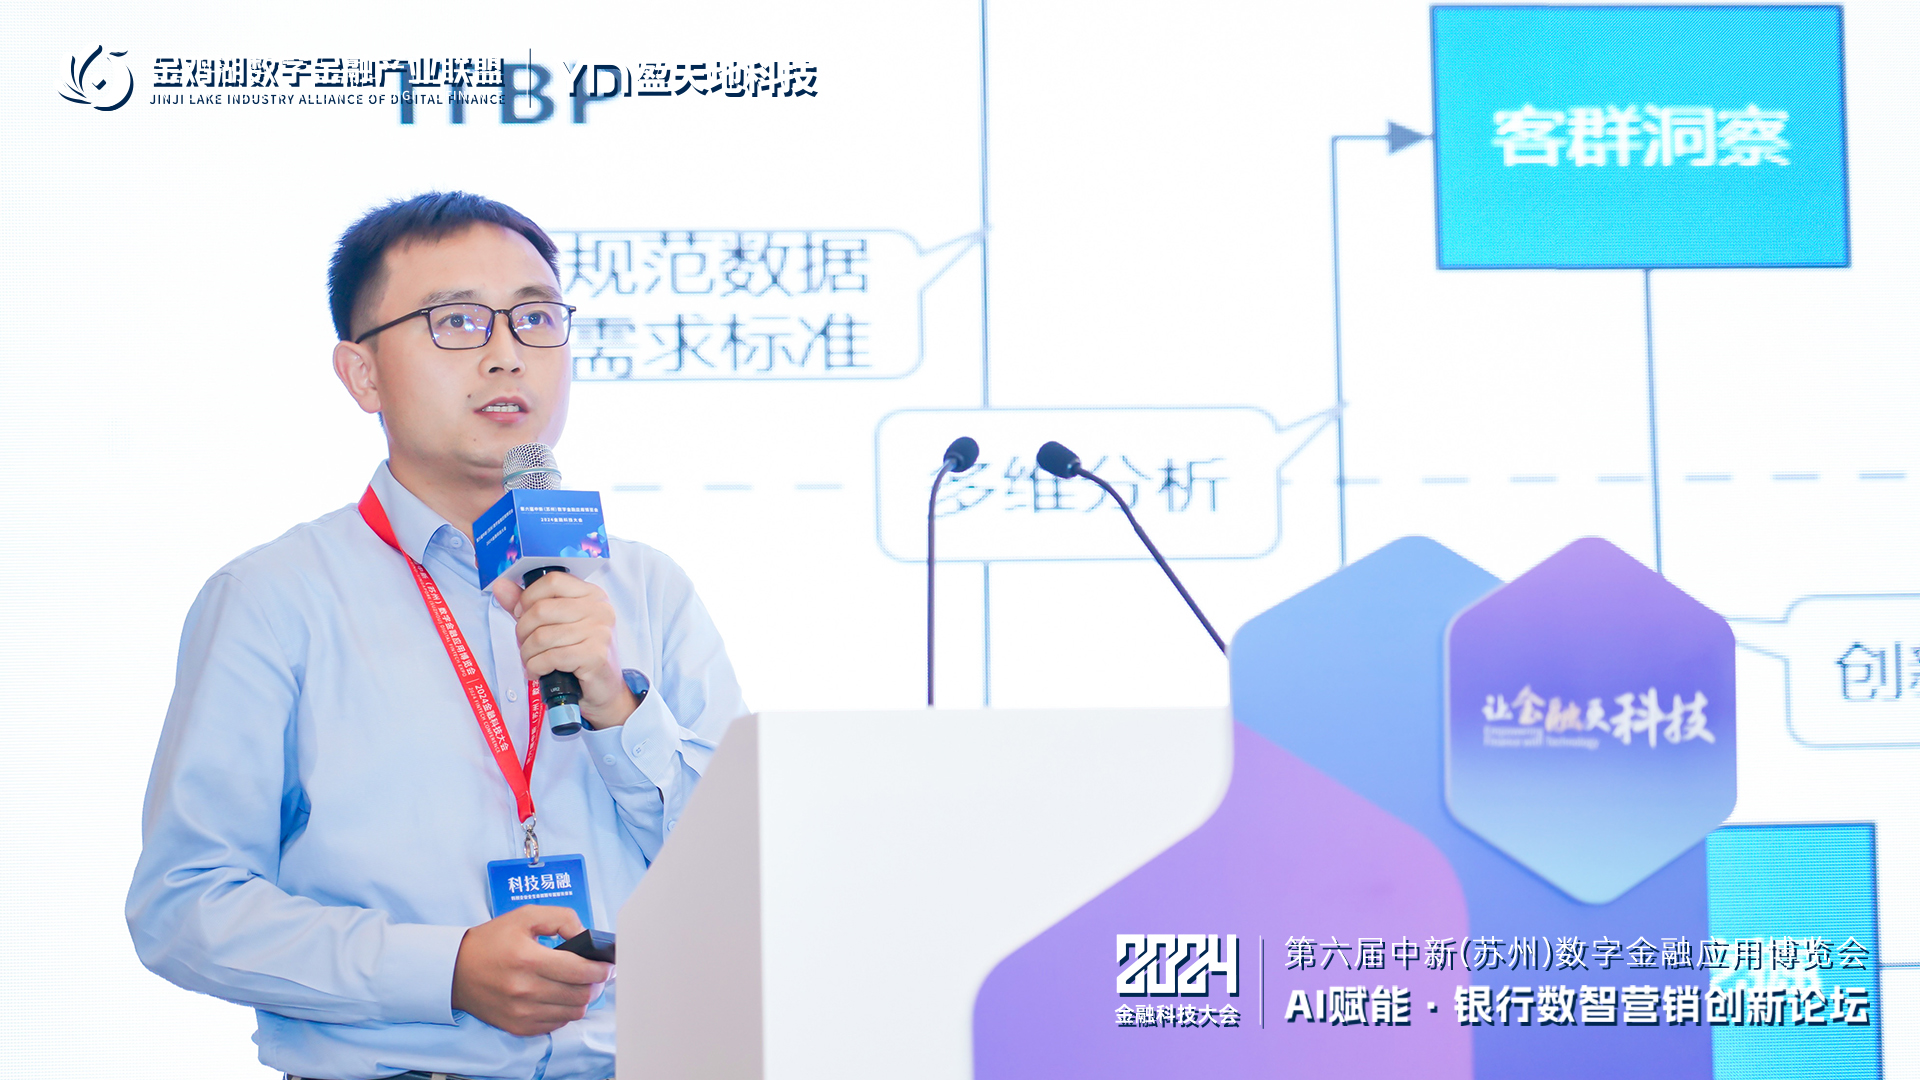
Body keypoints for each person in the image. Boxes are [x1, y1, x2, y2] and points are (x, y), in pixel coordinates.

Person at [126, 192, 747, 1080]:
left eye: (537, 318)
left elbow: (740, 878)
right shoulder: (272, 600)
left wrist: (617, 708)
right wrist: (444, 969)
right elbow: (185, 907)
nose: (507, 354)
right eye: (457, 322)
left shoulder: (649, 589)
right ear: (362, 375)